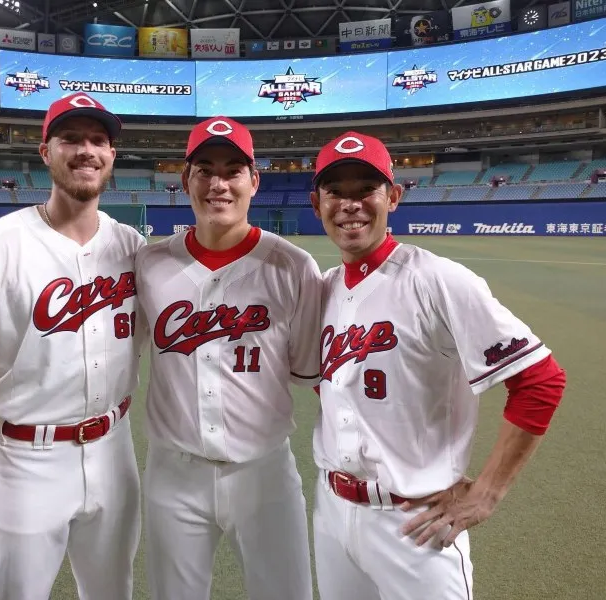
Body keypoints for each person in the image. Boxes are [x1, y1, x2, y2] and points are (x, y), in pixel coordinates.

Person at [309, 131, 567, 599]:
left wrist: (487, 492)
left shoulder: (436, 279)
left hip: (414, 525)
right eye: (337, 192)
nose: (351, 205)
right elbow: (331, 387)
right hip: (332, 513)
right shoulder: (324, 288)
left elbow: (540, 381)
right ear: (317, 203)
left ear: (393, 196)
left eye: (365, 189)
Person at [0, 93, 146, 600]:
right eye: (71, 138)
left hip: (115, 453)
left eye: (98, 140)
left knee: (114, 592)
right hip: (25, 461)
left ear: (112, 156)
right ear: (45, 151)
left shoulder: (131, 246)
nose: (86, 150)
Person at [135, 116, 322, 600]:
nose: (218, 183)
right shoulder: (149, 264)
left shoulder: (294, 266)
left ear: (253, 181)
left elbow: (310, 372)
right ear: (186, 180)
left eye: (233, 170)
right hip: (172, 473)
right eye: (205, 170)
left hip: (264, 471)